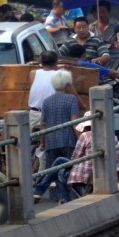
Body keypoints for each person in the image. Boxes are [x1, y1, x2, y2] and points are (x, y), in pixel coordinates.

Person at [38, 70, 84, 203]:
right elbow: (74, 121)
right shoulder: (71, 99)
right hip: (68, 139)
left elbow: (43, 124)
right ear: (67, 84)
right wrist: (81, 138)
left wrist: (42, 141)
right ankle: (65, 196)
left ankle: (57, 196)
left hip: (51, 140)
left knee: (53, 168)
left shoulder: (46, 101)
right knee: (66, 168)